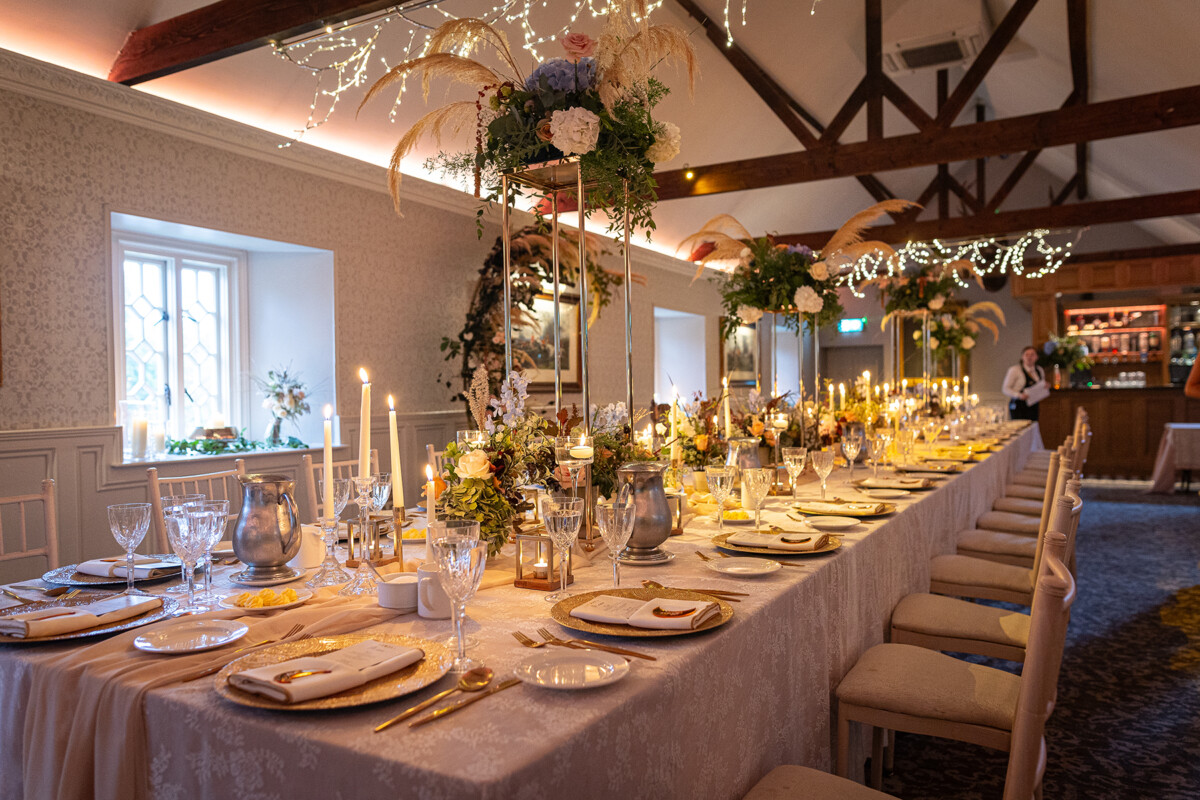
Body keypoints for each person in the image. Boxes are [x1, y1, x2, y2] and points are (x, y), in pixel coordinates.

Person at [1003, 346, 1048, 421]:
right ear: (1022, 357)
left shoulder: (1039, 370)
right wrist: (1019, 395)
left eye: (1032, 355)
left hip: (1033, 404)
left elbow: (1040, 386)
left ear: (1036, 357)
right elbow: (1005, 389)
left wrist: (1045, 386)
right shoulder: (1015, 370)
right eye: (1027, 354)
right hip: (1019, 405)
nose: (1029, 357)